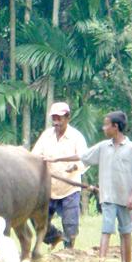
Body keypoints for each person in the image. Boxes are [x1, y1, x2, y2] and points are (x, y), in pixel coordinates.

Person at [47, 111, 132, 262]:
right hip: (107, 197)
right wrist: (58, 159)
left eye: (106, 125)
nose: (103, 128)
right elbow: (81, 156)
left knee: (126, 232)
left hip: (125, 199)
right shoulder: (103, 147)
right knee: (106, 230)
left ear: (115, 127)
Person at [32, 102, 88, 250]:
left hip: (69, 188)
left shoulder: (76, 137)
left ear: (67, 118)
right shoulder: (46, 136)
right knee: (37, 220)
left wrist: (75, 166)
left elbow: (85, 158)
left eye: (59, 118)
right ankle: (54, 237)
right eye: (54, 118)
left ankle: (68, 252)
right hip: (48, 188)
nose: (56, 122)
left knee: (70, 225)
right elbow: (35, 156)